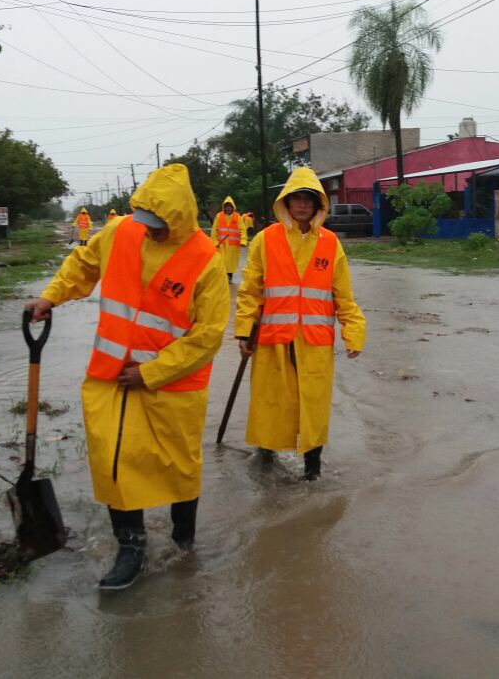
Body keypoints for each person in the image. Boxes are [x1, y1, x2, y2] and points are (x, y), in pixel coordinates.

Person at [24, 164, 229, 590]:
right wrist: (50, 296)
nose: (151, 231)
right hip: (112, 377)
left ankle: (184, 540)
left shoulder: (205, 261)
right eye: (146, 222)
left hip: (174, 386)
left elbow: (207, 337)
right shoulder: (121, 231)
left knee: (179, 466)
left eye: (159, 225)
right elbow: (83, 263)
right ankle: (130, 546)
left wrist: (152, 373)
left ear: (180, 219)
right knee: (114, 459)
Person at [234, 167, 365, 481]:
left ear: (318, 204)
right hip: (272, 339)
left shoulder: (331, 243)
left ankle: (313, 471)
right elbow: (251, 289)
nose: (302, 205)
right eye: (297, 199)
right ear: (286, 203)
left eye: (309, 199)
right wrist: (243, 332)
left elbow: (342, 294)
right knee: (271, 403)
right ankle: (265, 460)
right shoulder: (265, 240)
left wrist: (353, 332)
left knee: (313, 407)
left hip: (314, 341)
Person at [210, 196, 246, 282]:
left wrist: (243, 241)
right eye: (227, 206)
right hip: (221, 245)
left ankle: (229, 277)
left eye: (230, 206)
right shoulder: (219, 216)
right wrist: (214, 242)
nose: (228, 208)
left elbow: (243, 229)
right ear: (224, 207)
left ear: (233, 207)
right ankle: (222, 277)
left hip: (233, 246)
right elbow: (214, 230)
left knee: (231, 263)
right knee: (221, 261)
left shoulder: (237, 217)